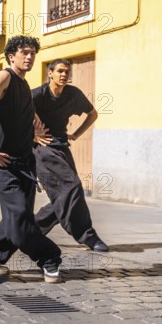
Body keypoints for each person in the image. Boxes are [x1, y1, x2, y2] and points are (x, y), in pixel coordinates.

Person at [0, 35, 63, 283]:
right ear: (12, 56)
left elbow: (25, 112)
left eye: (33, 52)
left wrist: (35, 129)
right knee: (21, 213)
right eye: (24, 52)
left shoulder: (23, 85)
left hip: (24, 163)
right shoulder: (5, 76)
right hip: (2, 163)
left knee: (16, 217)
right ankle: (49, 258)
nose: (30, 56)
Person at [32, 59, 108, 252]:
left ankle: (31, 230)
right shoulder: (37, 96)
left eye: (67, 72)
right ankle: (87, 235)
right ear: (50, 73)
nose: (64, 75)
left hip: (61, 145)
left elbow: (93, 114)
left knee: (68, 193)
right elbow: (15, 115)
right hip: (42, 148)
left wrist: (76, 134)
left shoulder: (73, 94)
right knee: (71, 186)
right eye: (60, 71)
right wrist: (32, 134)